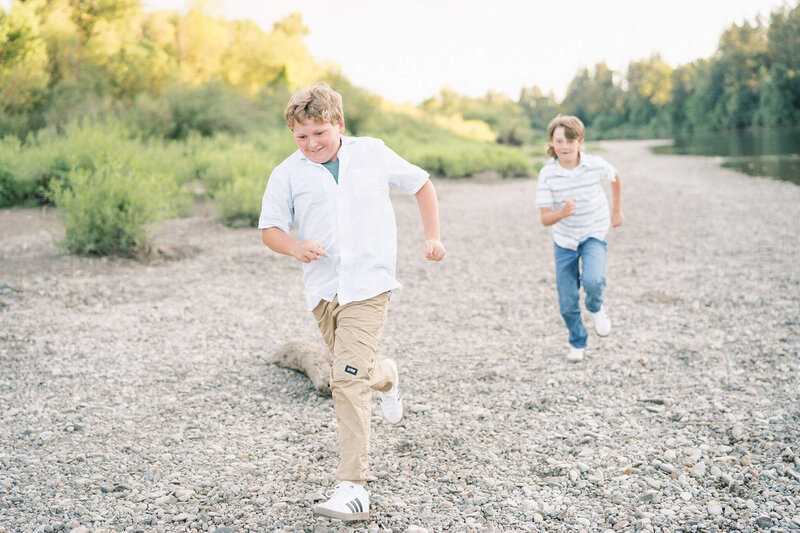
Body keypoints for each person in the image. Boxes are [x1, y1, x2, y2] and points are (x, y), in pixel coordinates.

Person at [259, 82, 446, 521]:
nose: (311, 144)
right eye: (302, 137)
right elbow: (270, 230)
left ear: (339, 124)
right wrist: (295, 247)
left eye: (319, 133)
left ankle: (353, 487)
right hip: (324, 289)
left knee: (343, 378)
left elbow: (421, 184)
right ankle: (387, 376)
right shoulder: (287, 173)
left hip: (370, 282)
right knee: (357, 371)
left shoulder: (372, 152)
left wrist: (433, 236)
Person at [535, 115, 623, 363]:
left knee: (593, 281)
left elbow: (616, 177)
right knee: (567, 300)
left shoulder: (594, 165)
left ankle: (595, 307)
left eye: (570, 141)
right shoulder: (547, 174)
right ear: (552, 143)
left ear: (580, 143)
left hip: (593, 232)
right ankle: (577, 341)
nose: (565, 146)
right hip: (564, 241)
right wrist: (561, 213)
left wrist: (616, 210)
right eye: (559, 141)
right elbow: (544, 219)